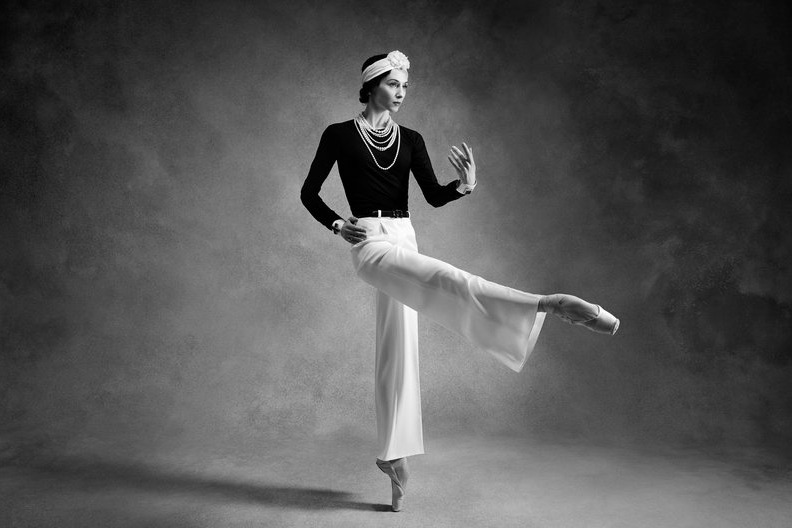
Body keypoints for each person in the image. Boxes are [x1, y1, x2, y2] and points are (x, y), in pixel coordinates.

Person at [300, 51, 619, 512]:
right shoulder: (338, 134)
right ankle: (542, 304)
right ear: (371, 86)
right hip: (368, 240)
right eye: (393, 84)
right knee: (448, 278)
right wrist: (336, 224)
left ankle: (392, 456)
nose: (401, 93)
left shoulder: (411, 139)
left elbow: (432, 195)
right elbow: (309, 192)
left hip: (405, 236)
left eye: (405, 87)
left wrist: (463, 186)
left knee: (398, 346)